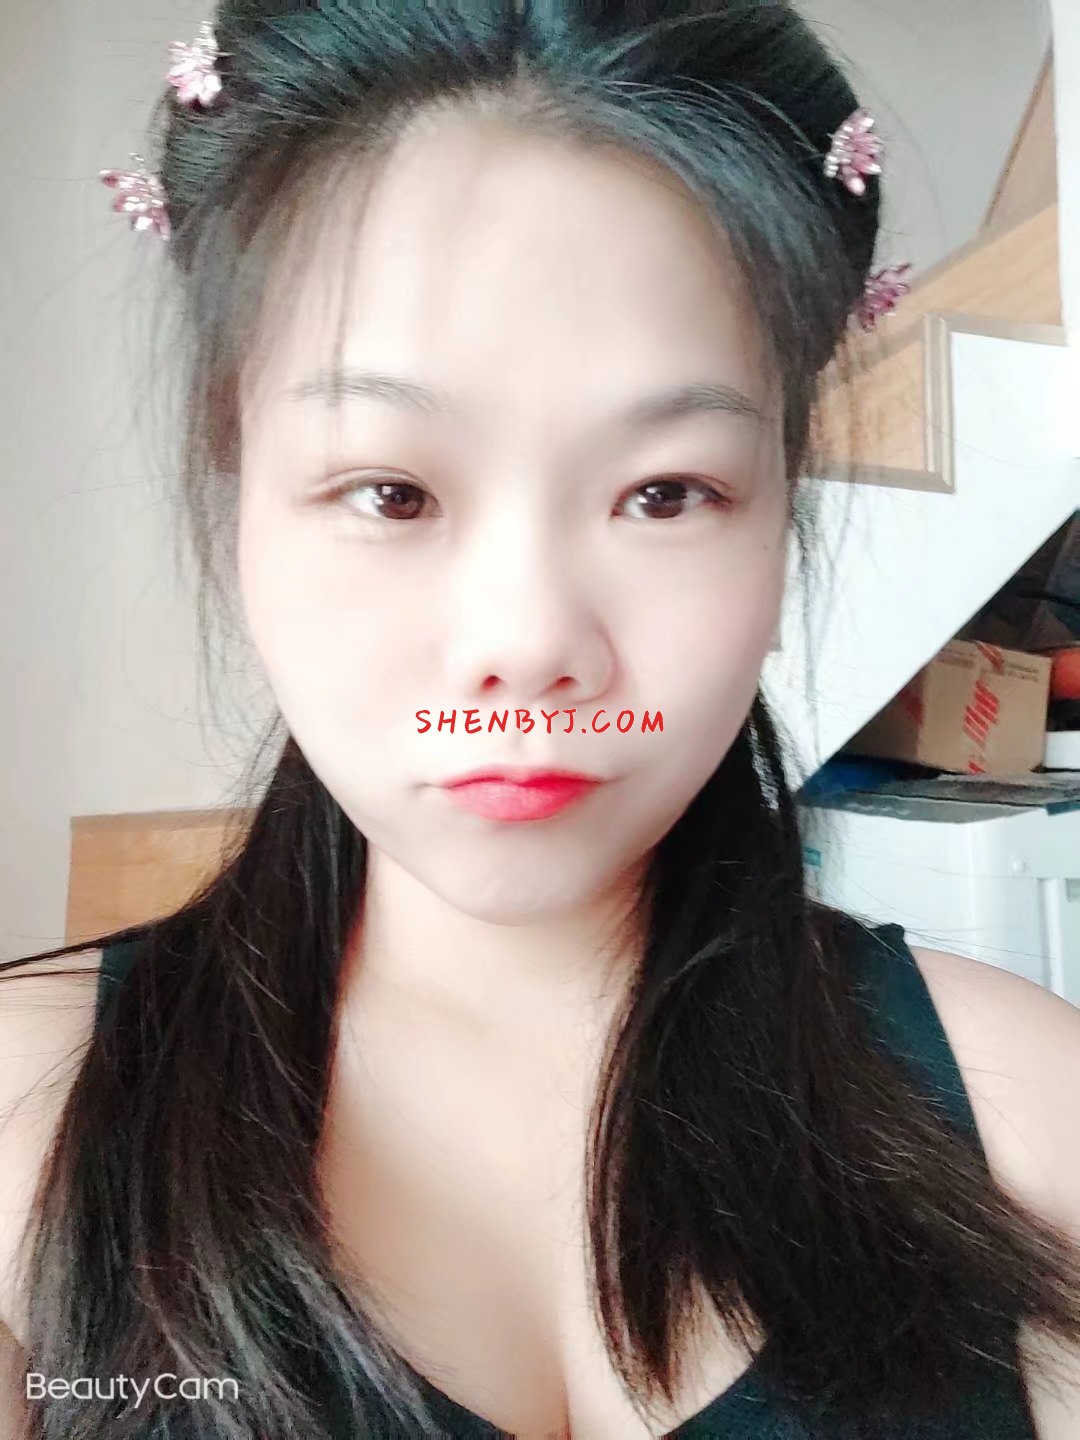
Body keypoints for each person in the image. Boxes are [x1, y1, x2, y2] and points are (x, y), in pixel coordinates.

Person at [1, 2, 1079, 1437]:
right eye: (391, 491)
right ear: (235, 497)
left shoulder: (1031, 1120)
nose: (527, 644)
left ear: (782, 509)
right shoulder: (26, 1132)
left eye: (666, 493)